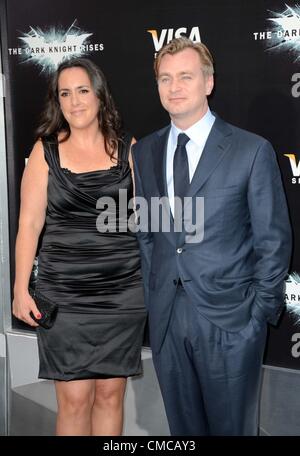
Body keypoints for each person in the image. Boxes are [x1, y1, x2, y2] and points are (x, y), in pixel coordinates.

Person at [132, 37, 291, 435]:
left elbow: (272, 240)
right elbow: (149, 234)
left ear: (209, 82)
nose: (174, 86)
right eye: (165, 78)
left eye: (185, 76)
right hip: (168, 319)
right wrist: (155, 299)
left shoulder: (250, 150)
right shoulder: (144, 152)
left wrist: (257, 315)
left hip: (232, 320)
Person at [13, 57, 147, 436]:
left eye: (82, 91)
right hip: (64, 295)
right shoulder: (45, 152)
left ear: (100, 95)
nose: (74, 102)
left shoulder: (128, 149)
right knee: (73, 402)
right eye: (65, 93)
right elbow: (29, 224)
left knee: (109, 396)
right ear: (58, 101)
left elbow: (149, 220)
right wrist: (21, 288)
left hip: (122, 294)